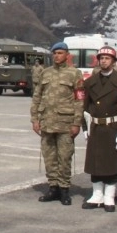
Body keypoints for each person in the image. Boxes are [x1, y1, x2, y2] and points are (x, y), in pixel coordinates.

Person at [31, 42, 84, 205]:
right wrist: (35, 119)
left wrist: (77, 123)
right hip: (47, 122)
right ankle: (53, 187)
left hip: (65, 123)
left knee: (65, 156)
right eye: (54, 53)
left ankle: (64, 189)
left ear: (67, 55)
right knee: (49, 157)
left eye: (60, 53)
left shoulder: (75, 74)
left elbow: (79, 100)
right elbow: (37, 96)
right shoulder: (45, 73)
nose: (57, 56)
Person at [81, 47, 117, 212]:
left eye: (107, 58)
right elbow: (85, 106)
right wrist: (84, 127)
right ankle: (96, 195)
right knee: (95, 162)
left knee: (110, 163)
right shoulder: (90, 82)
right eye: (101, 58)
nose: (103, 61)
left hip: (112, 127)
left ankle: (109, 196)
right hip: (95, 126)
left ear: (113, 61)